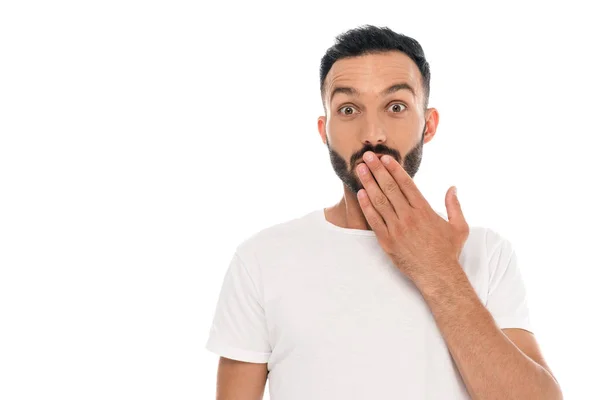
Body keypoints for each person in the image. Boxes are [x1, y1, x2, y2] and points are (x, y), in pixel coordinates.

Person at [205, 25, 563, 400]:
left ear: (429, 124)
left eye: (396, 107)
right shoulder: (261, 259)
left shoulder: (488, 253)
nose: (372, 133)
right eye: (348, 109)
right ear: (324, 130)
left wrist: (439, 271)